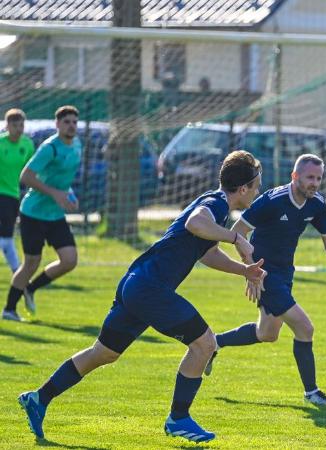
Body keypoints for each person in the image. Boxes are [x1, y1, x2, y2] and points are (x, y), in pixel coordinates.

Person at [18, 150, 266, 443]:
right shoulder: (215, 204)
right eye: (257, 186)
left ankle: (39, 398)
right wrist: (237, 238)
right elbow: (195, 225)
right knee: (205, 343)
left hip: (136, 284)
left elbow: (208, 252)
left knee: (104, 353)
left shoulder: (214, 206)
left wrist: (243, 270)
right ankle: (179, 419)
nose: (258, 191)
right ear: (243, 188)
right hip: (150, 288)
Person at [208, 153, 326, 406]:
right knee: (305, 328)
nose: (314, 183)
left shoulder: (316, 204)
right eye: (309, 177)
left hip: (285, 272)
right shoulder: (271, 201)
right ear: (294, 176)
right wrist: (249, 270)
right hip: (264, 273)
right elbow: (237, 232)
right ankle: (312, 393)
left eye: (318, 178)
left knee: (267, 333)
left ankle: (213, 343)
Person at [4, 106, 82, 321]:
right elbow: (26, 176)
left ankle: (31, 288)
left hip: (55, 214)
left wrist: (69, 196)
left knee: (69, 260)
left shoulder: (77, 145)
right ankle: (9, 309)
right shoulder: (50, 148)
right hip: (33, 213)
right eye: (66, 122)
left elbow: (64, 179)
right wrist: (54, 193)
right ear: (57, 125)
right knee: (31, 262)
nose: (71, 126)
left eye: (74, 122)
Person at [0, 109, 35, 280]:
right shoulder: (1, 143)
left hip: (12, 196)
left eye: (21, 125)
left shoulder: (27, 145)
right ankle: (18, 273)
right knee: (5, 239)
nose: (19, 128)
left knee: (6, 239)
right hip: (1, 194)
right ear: (7, 126)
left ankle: (18, 274)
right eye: (15, 125)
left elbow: (32, 171)